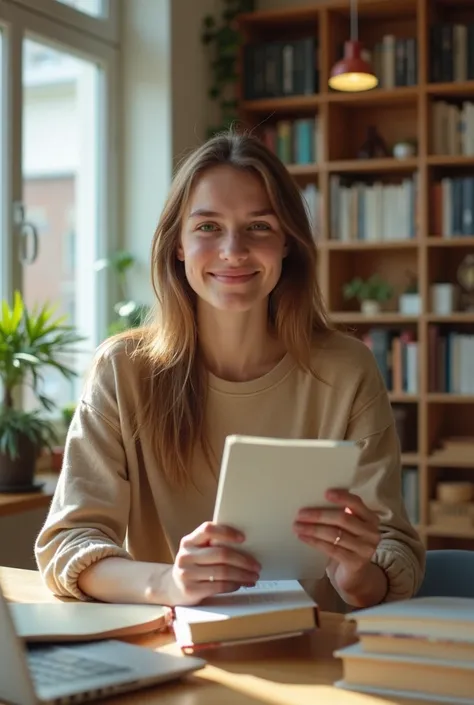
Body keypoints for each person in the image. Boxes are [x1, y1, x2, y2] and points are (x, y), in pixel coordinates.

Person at [35, 130, 425, 612]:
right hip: (170, 651)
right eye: (207, 227)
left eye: (259, 226)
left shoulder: (347, 368)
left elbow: (396, 550)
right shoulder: (122, 371)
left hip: (312, 651)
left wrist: (358, 574)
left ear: (287, 243)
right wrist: (170, 583)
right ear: (177, 245)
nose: (233, 250)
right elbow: (68, 545)